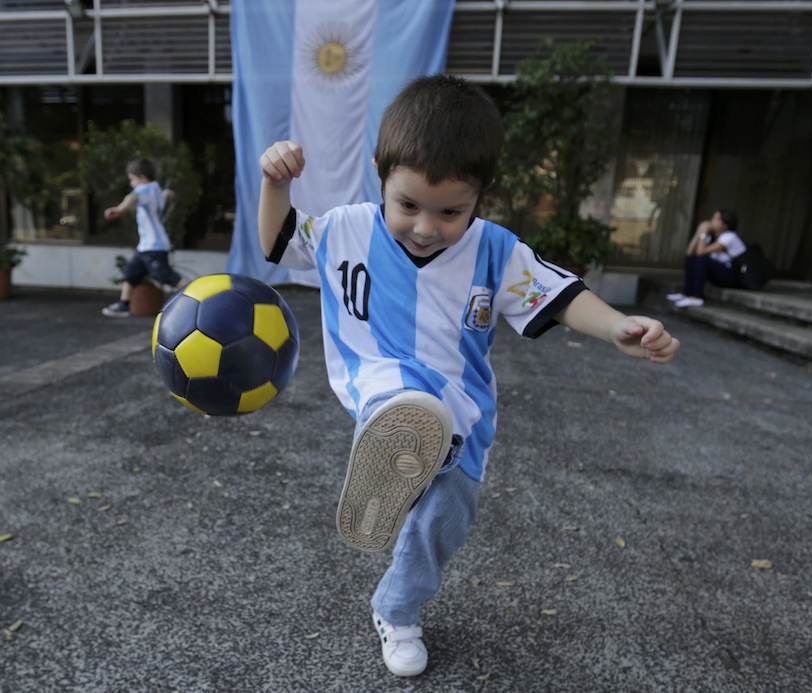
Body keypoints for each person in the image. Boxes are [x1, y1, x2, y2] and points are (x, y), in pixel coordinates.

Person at [257, 75, 680, 678]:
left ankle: (396, 606)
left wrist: (616, 326)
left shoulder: (494, 250)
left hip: (466, 415)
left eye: (451, 211)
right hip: (380, 386)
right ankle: (392, 440)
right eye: (408, 205)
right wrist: (275, 183)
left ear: (482, 196)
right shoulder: (346, 229)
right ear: (380, 172)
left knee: (446, 522)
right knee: (402, 397)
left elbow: (559, 296)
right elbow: (276, 239)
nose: (427, 227)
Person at [101, 157, 187, 317]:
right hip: (146, 246)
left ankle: (195, 295)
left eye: (132, 179)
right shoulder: (155, 190)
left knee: (164, 275)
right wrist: (168, 195)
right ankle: (124, 304)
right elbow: (164, 195)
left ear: (141, 177)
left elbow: (132, 197)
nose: (132, 183)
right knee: (130, 272)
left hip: (154, 245)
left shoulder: (145, 189)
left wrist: (119, 209)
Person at [666, 209, 747, 308]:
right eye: (713, 218)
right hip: (720, 274)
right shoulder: (711, 236)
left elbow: (701, 252)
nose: (712, 221)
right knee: (693, 259)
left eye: (717, 219)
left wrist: (703, 231)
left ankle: (697, 297)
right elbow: (689, 252)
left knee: (702, 259)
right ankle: (687, 293)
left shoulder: (730, 237)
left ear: (725, 225)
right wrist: (699, 232)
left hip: (734, 277)